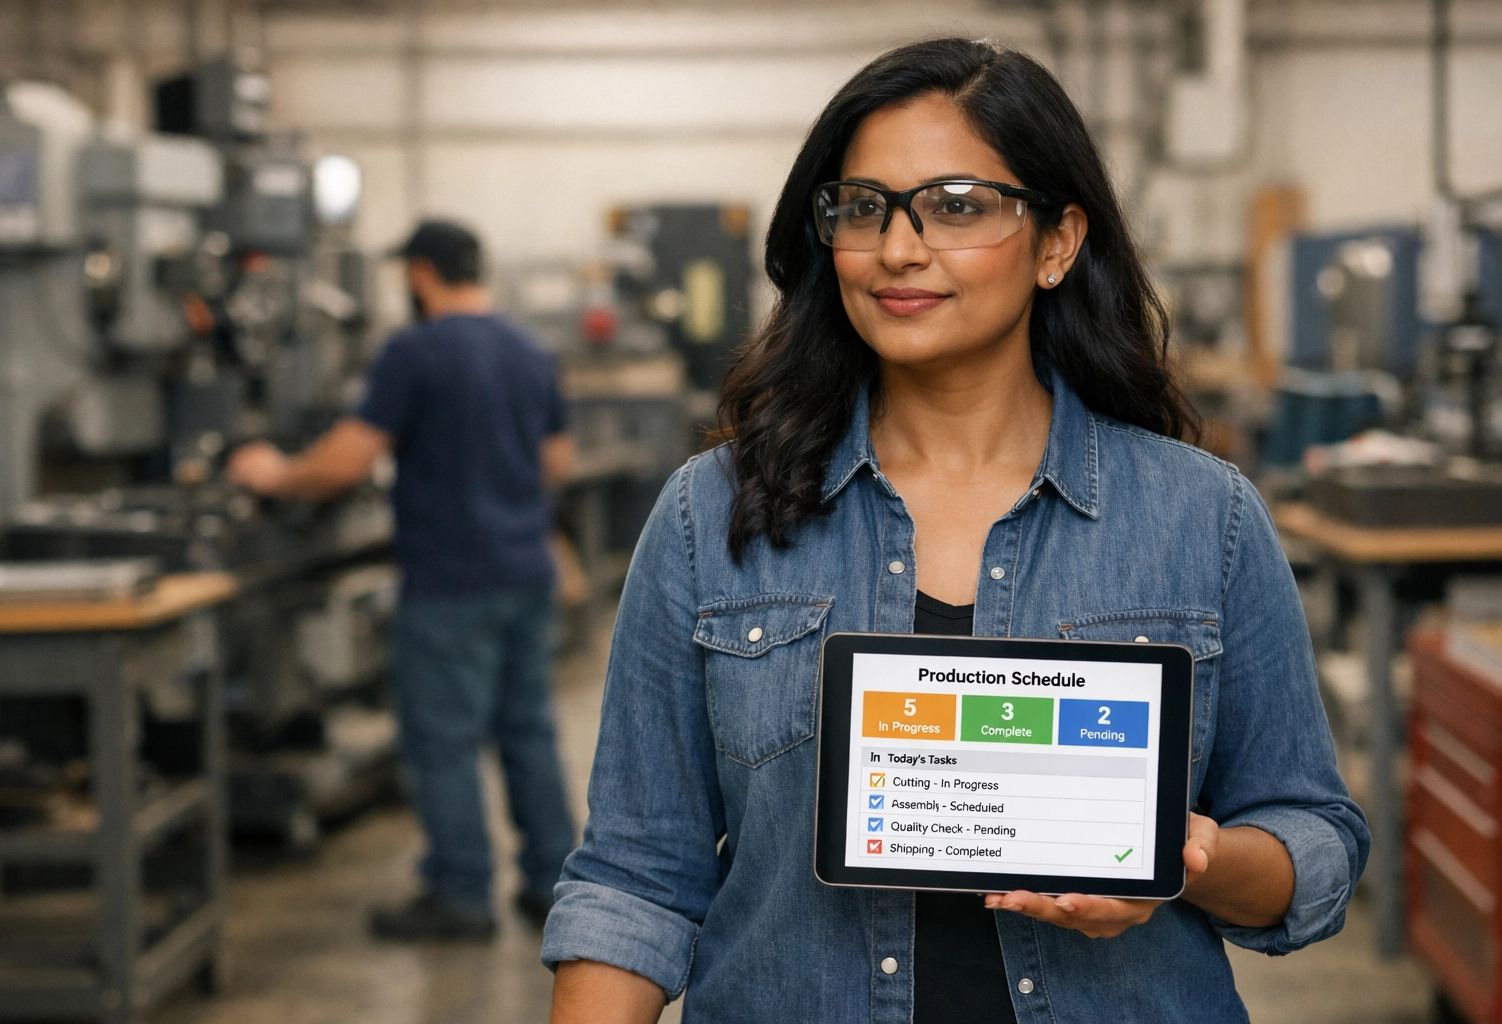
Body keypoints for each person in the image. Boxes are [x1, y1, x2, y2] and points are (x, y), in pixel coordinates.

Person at [541, 39, 1368, 1023]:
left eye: (958, 205)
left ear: (1057, 242)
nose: (898, 248)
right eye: (864, 208)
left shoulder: (1204, 517)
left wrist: (1184, 857)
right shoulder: (711, 516)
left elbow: (1312, 838)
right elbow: (634, 880)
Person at [228, 219, 578, 941]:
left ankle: (461, 891)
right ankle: (551, 884)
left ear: (420, 274)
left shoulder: (414, 352)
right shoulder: (529, 350)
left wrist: (276, 474)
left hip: (450, 579)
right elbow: (557, 462)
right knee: (528, 731)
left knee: (442, 739)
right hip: (523, 569)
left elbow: (346, 462)